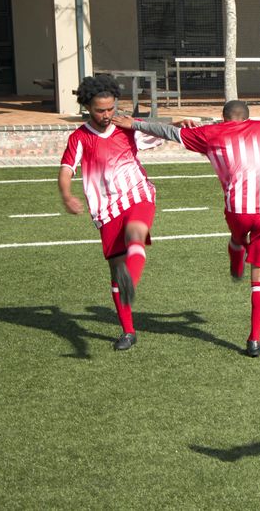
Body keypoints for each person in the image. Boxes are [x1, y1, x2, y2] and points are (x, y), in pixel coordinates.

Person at [113, 100, 260, 358]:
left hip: (237, 210)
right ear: (247, 117)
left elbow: (167, 132)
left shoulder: (212, 133)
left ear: (223, 118)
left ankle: (236, 252)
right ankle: (254, 340)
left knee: (237, 234)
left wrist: (134, 123)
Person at [59, 74, 163, 351]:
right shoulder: (79, 138)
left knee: (136, 233)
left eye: (111, 108)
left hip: (137, 194)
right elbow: (67, 170)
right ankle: (128, 331)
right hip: (105, 209)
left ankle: (133, 279)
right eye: (100, 110)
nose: (107, 115)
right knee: (116, 272)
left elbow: (157, 130)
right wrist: (66, 195)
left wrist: (178, 123)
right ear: (88, 108)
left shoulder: (126, 126)